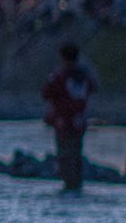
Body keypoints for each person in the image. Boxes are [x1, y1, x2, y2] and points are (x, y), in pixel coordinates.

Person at [42, 41, 100, 193]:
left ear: (62, 58)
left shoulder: (59, 76)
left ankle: (69, 185)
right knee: (76, 152)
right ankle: (77, 184)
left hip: (63, 121)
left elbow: (46, 93)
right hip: (80, 121)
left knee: (65, 155)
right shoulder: (85, 76)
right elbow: (93, 88)